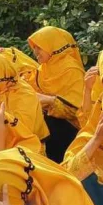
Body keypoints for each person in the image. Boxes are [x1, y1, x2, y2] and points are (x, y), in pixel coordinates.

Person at [28, 26, 86, 162]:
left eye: (39, 47)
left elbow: (78, 110)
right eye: (34, 48)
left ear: (52, 46)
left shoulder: (71, 69)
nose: (35, 52)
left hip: (72, 129)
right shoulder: (42, 69)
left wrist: (50, 101)